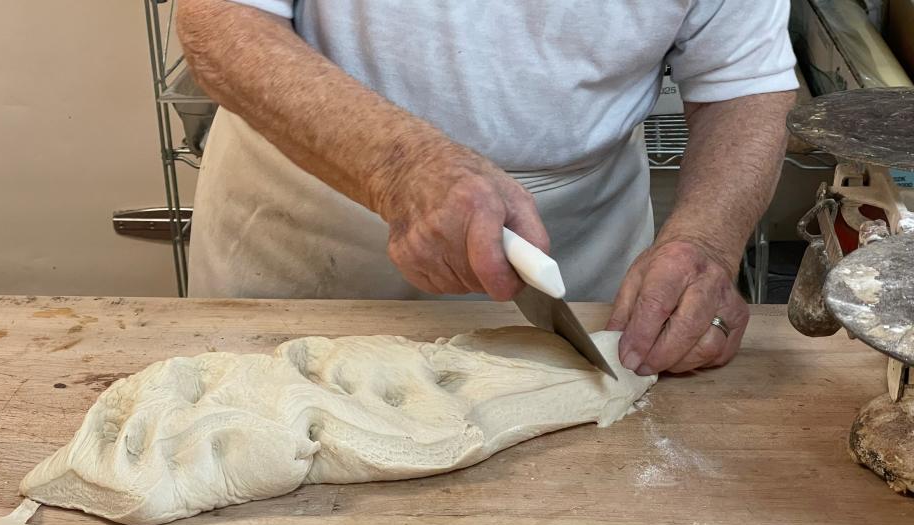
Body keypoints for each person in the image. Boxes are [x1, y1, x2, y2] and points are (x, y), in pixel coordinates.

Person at [177, 1, 797, 376]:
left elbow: (742, 80)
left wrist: (708, 242)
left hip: (578, 250)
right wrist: (399, 167)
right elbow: (222, 22)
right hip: (311, 230)